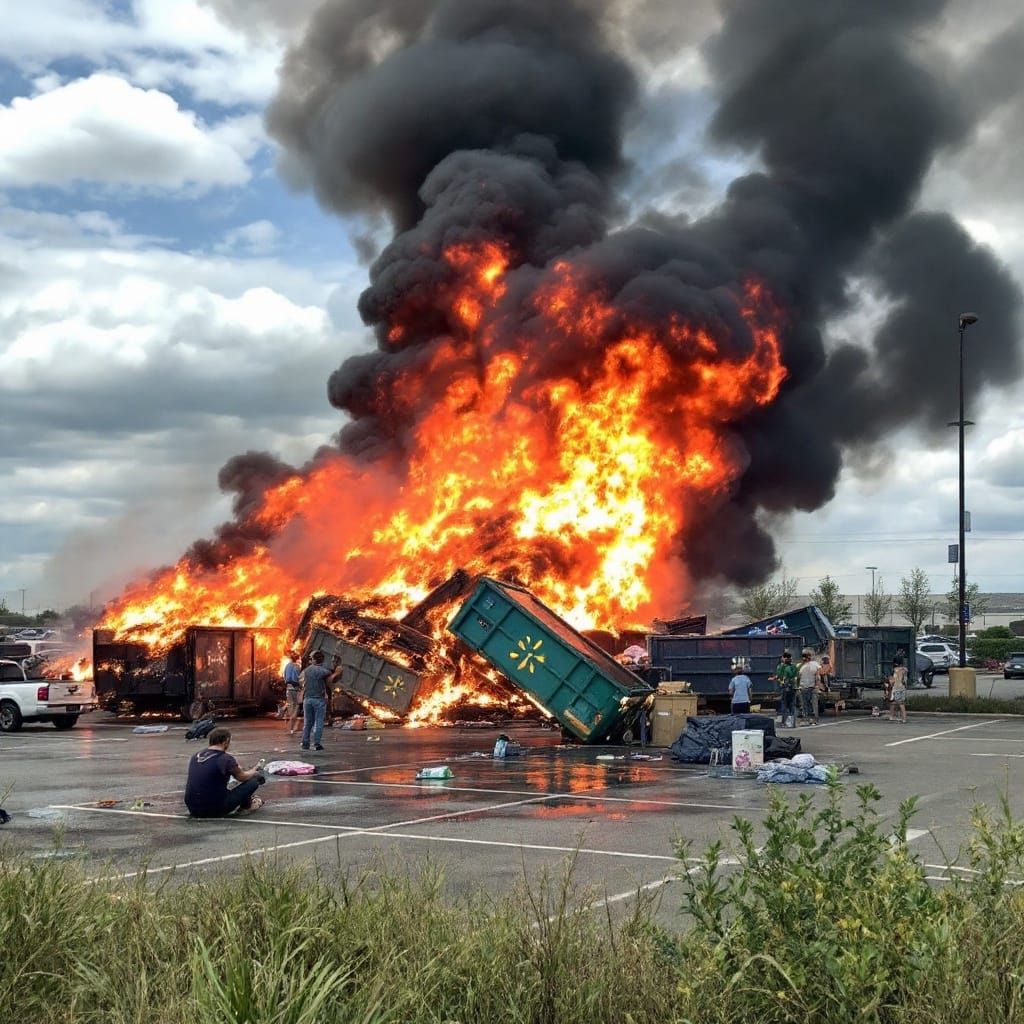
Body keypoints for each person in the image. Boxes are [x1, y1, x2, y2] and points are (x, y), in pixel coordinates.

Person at [184, 726, 265, 817]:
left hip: (192, 807)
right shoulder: (225, 758)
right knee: (255, 779)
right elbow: (242, 777)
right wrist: (254, 770)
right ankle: (246, 806)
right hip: (215, 808)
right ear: (226, 741)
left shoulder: (196, 756)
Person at [300, 651, 341, 751]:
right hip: (319, 700)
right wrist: (337, 671)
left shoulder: (306, 671)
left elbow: (300, 681)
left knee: (307, 722)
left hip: (307, 699)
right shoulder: (324, 671)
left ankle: (305, 743)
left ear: (313, 659)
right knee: (318, 722)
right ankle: (317, 744)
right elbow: (332, 680)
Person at [770, 650, 798, 728]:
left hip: (785, 688)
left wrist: (774, 678)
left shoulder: (782, 666)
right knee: (792, 705)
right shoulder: (793, 666)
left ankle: (784, 722)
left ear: (784, 658)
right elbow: (796, 676)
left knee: (784, 705)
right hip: (793, 688)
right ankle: (792, 723)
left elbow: (779, 675)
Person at [797, 648, 822, 726]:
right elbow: (797, 677)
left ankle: (811, 719)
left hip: (809, 687)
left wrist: (817, 686)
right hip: (805, 687)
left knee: (808, 704)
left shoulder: (813, 664)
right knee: (807, 704)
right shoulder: (800, 665)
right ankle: (810, 719)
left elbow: (818, 677)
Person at [283, 651, 302, 735]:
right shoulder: (297, 667)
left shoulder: (287, 666)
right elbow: (299, 679)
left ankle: (289, 726)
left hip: (288, 688)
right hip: (295, 688)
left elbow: (285, 677)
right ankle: (292, 727)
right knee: (296, 705)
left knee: (290, 705)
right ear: (297, 659)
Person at [888, 656, 909, 724]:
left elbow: (891, 680)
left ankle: (904, 718)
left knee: (900, 703)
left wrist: (890, 687)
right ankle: (891, 716)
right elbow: (905, 680)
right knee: (894, 702)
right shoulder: (905, 670)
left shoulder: (894, 670)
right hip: (902, 688)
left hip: (896, 688)